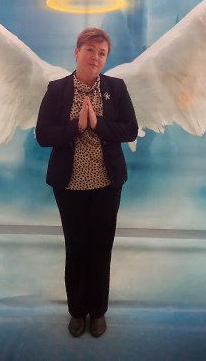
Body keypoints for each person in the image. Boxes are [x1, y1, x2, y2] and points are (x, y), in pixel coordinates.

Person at [35, 27, 138, 338]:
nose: (95, 57)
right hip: (69, 186)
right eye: (90, 50)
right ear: (77, 52)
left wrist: (98, 124)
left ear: (106, 58)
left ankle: (98, 312)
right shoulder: (57, 90)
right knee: (76, 248)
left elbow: (130, 130)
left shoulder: (116, 88)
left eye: (102, 52)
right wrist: (76, 126)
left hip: (107, 184)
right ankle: (77, 312)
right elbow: (43, 136)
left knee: (101, 249)